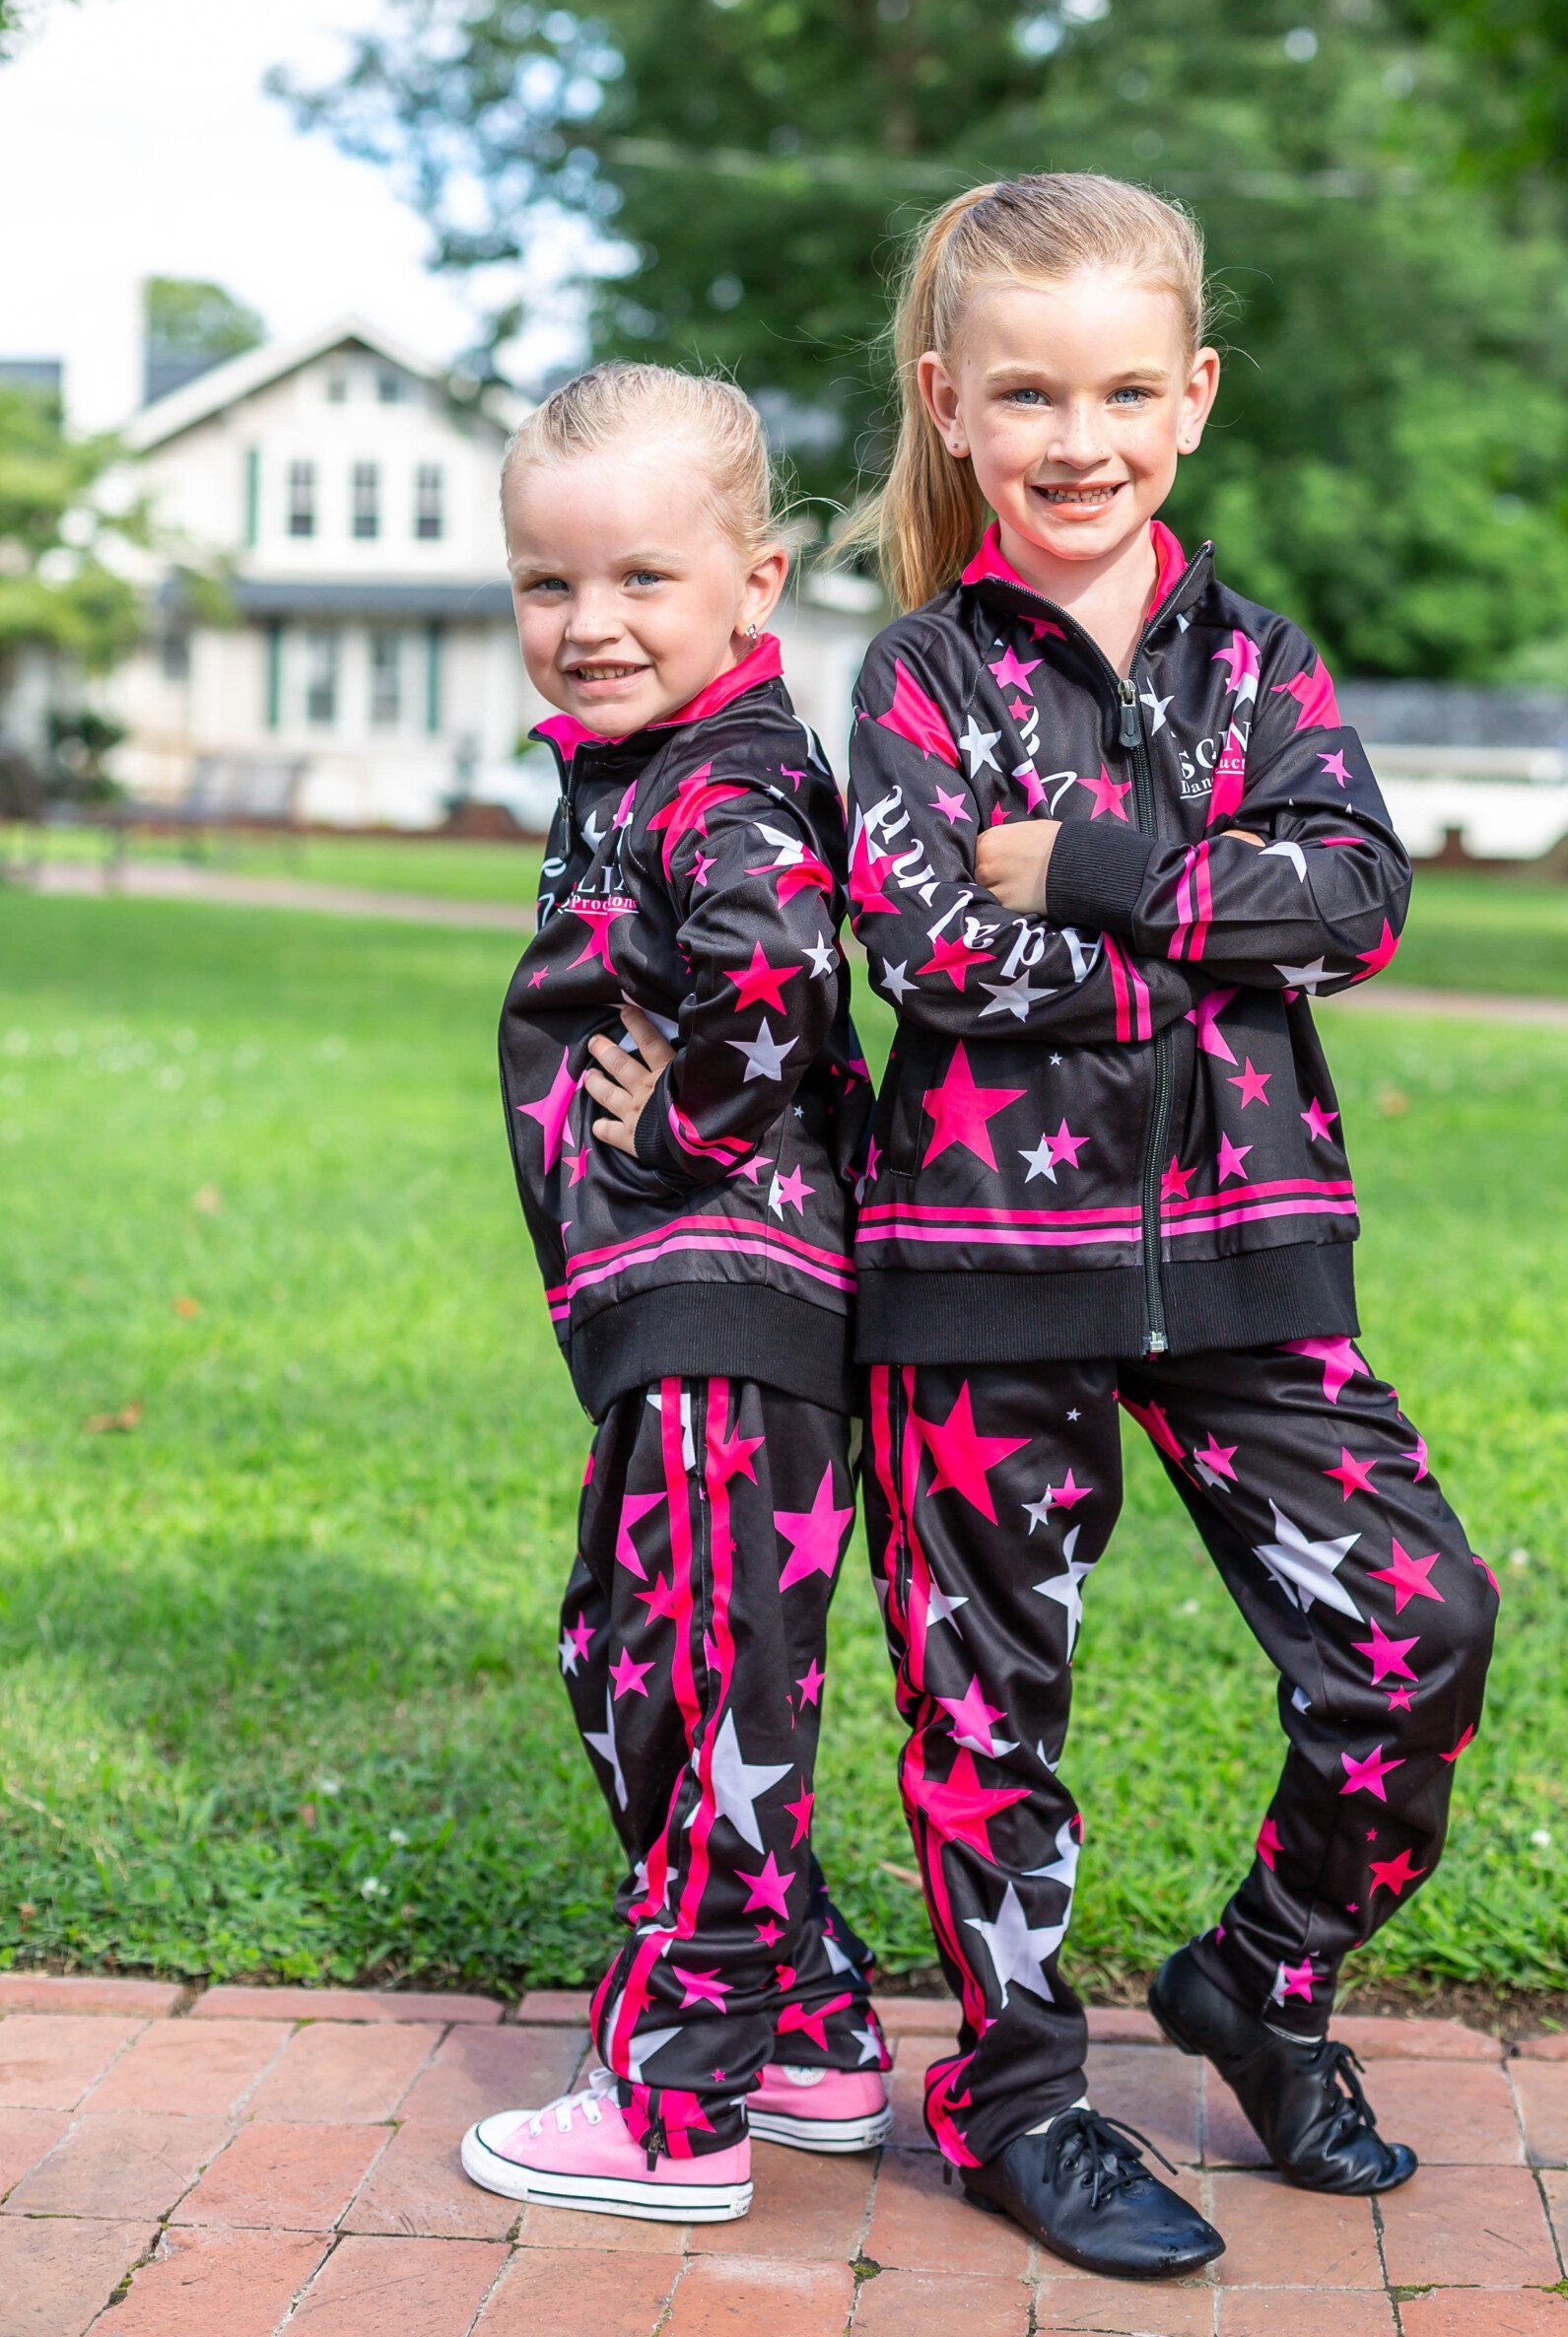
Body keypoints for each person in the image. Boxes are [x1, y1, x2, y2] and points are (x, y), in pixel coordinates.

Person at [844, 173, 1498, 2282]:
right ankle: (1018, 2094)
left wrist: (1095, 865)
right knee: (990, 1710)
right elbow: (932, 954)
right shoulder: (919, 676)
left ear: (1195, 396)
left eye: (1126, 390)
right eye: (1028, 394)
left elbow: (1361, 900)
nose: (1079, 438)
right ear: (950, 404)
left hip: (1253, 1260)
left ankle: (1264, 1978)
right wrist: (1216, 926)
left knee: (1422, 1627)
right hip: (973, 1273)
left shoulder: (1259, 660)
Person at [462, 362, 889, 2229]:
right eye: (549, 584)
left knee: (702, 1677)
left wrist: (687, 1120)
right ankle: (810, 2029)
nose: (592, 622)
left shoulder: (726, 779)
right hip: (672, 1310)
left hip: (733, 1301)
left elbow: (776, 965)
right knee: (631, 1652)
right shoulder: (642, 769)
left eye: (643, 577)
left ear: (755, 582)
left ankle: (675, 2101)